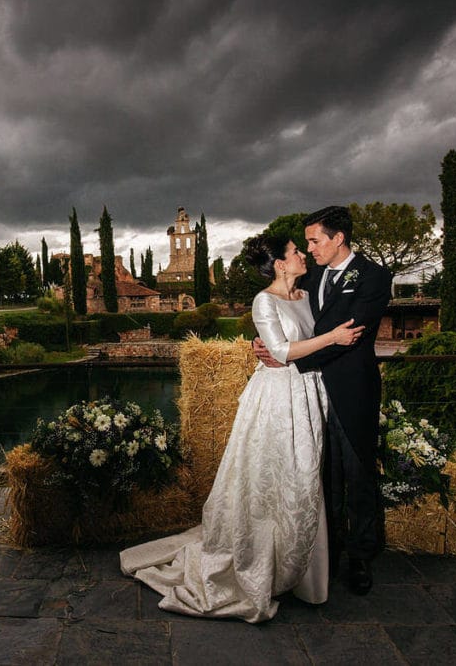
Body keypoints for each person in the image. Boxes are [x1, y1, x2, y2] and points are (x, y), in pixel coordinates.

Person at [119, 233, 364, 623]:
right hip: (277, 398)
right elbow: (281, 352)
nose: (304, 255)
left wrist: (318, 341)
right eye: (296, 252)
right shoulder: (263, 300)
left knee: (302, 478)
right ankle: (260, 560)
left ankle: (303, 568)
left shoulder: (308, 294)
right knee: (272, 473)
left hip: (308, 392)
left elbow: (296, 343)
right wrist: (328, 338)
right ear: (281, 264)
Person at [253, 205, 392, 596]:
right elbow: (283, 314)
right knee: (320, 478)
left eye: (315, 240)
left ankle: (361, 558)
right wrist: (266, 345)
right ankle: (324, 556)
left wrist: (285, 357)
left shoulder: (374, 277)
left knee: (358, 475)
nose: (309, 248)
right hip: (307, 396)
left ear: (338, 239)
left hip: (351, 392)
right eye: (307, 242)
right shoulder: (308, 277)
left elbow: (352, 336)